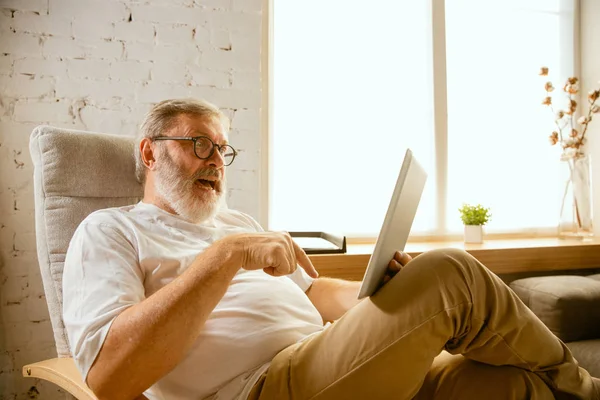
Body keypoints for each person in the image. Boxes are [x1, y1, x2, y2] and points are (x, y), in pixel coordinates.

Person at [62, 98, 599, 400]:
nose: (217, 160)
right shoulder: (109, 231)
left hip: (335, 359)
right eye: (198, 144)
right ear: (149, 154)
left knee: (506, 386)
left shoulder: (238, 221)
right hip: (260, 388)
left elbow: (315, 292)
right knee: (452, 273)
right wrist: (223, 258)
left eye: (223, 149)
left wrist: (382, 296)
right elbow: (111, 378)